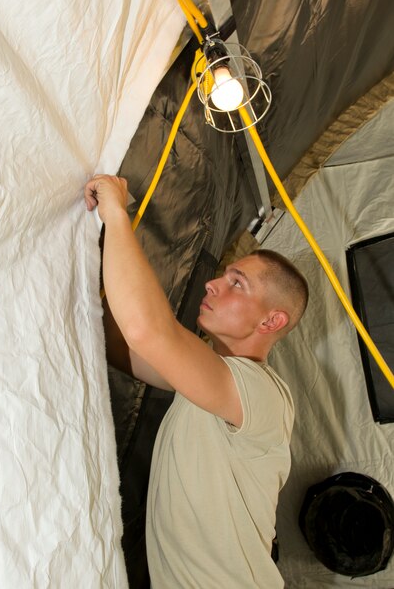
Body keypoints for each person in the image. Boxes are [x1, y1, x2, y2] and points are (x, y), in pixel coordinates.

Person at [84, 174, 309, 589]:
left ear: (271, 320)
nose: (213, 282)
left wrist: (116, 212)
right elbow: (122, 345)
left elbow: (148, 332)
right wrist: (94, 238)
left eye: (236, 283)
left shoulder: (261, 393)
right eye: (224, 275)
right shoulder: (210, 386)